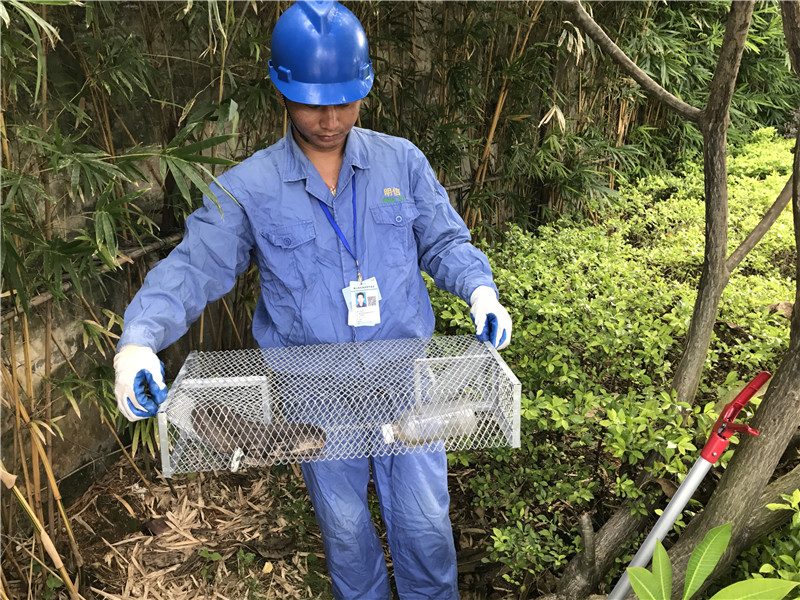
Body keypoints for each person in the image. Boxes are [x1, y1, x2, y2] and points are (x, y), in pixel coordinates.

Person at [113, 2, 512, 598]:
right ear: (280, 88)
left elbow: (444, 239)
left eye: (343, 101)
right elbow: (194, 267)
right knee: (348, 536)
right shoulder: (250, 188)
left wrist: (480, 289)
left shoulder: (401, 161)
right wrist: (138, 341)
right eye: (311, 102)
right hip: (315, 396)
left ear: (365, 87)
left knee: (427, 528)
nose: (328, 118)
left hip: (407, 379)